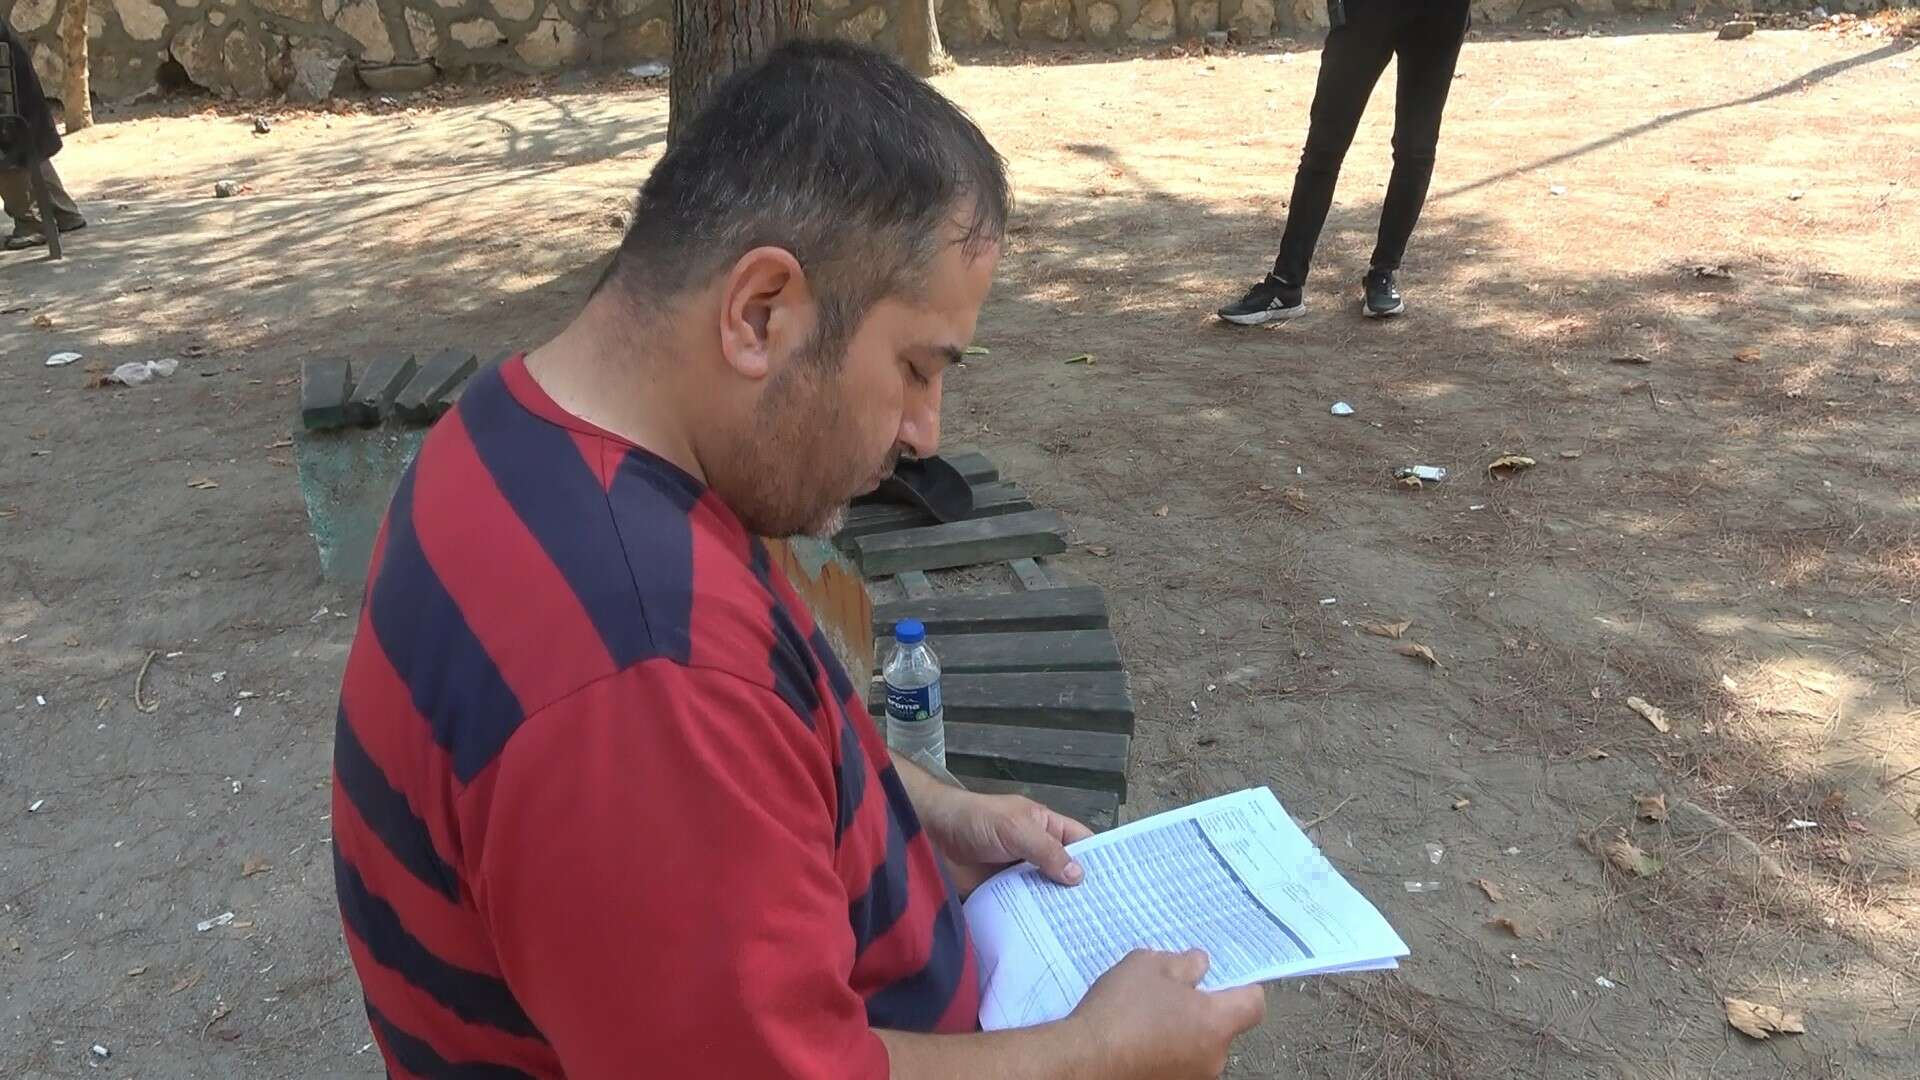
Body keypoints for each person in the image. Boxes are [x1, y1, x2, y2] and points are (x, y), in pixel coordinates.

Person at [331, 40, 1265, 1079]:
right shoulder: (643, 670)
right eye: (916, 368)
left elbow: (769, 754)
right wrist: (1097, 1054)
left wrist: (936, 815)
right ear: (760, 312)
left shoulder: (516, 432)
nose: (925, 432)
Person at [1218, 0, 1471, 324]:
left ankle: (1384, 272)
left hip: (1441, 12)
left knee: (1415, 149)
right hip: (1368, 10)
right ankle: (1286, 284)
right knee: (1324, 145)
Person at [0, 18, 86, 250]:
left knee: (10, 146)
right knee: (26, 145)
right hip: (18, 100)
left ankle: (32, 223)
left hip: (9, 112)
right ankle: (63, 212)